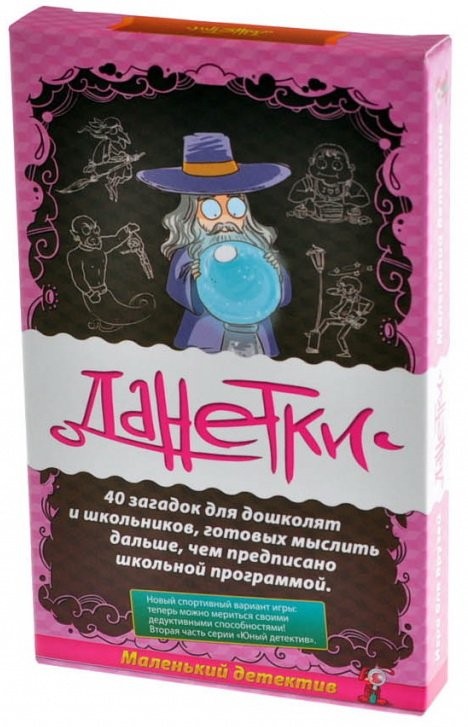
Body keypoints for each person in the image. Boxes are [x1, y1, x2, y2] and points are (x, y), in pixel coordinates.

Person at [138, 132, 292, 356]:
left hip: (257, 339)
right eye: (212, 210)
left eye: (235, 208)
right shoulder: (190, 253)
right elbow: (178, 290)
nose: (225, 219)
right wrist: (195, 278)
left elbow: (281, 298)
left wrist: (276, 272)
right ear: (191, 214)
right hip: (207, 340)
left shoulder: (257, 251)